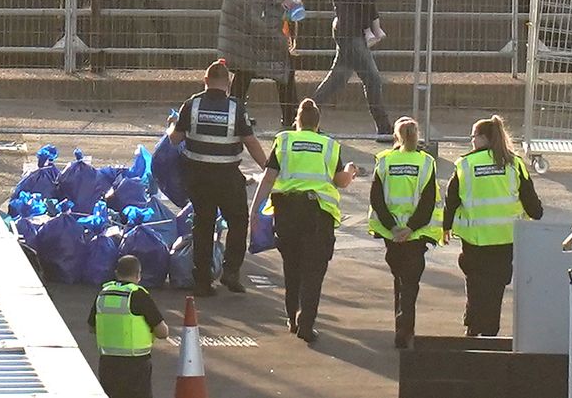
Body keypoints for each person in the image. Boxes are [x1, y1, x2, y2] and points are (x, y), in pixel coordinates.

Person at [251, 98, 358, 342]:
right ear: (318, 124)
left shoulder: (284, 140)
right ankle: (306, 323)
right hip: (317, 215)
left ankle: (291, 317)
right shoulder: (329, 145)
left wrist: (254, 212)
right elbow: (339, 181)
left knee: (292, 267)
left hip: (287, 212)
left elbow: (268, 178)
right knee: (314, 271)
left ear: (296, 121)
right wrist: (350, 171)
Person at [169, 59, 268, 296]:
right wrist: (267, 167)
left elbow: (174, 139)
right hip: (227, 177)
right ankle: (231, 271)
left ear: (205, 81)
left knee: (203, 225)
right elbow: (250, 142)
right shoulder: (236, 108)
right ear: (228, 83)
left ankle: (202, 280)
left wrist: (172, 125)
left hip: (198, 176)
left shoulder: (191, 105)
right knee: (238, 221)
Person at [443, 115, 543, 337]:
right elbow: (533, 205)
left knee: (475, 283)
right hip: (505, 239)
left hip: (475, 238)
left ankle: (472, 325)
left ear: (484, 138)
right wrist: (536, 214)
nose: (471, 141)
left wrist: (446, 227)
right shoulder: (514, 164)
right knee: (496, 287)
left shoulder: (465, 164)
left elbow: (451, 199)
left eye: (474, 136)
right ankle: (490, 331)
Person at [218, 0, 302, 129]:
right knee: (283, 66)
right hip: (252, 16)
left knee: (246, 67)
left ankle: (235, 115)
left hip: (249, 15)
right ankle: (292, 118)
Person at [368, 116, 443, 349]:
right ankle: (405, 327)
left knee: (399, 280)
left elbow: (376, 199)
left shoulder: (384, 161)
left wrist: (393, 227)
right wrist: (411, 227)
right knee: (410, 284)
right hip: (416, 234)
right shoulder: (426, 163)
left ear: (396, 136)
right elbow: (428, 201)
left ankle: (401, 324)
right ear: (417, 135)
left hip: (392, 235)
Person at [311, 0, 393, 140]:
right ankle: (385, 128)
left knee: (336, 80)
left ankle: (302, 119)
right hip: (349, 32)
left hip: (351, 31)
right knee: (373, 79)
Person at [88, 256, 169, 398]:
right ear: (138, 275)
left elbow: (92, 327)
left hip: (108, 363)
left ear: (116, 273)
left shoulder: (103, 293)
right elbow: (162, 332)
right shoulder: (138, 295)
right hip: (136, 364)